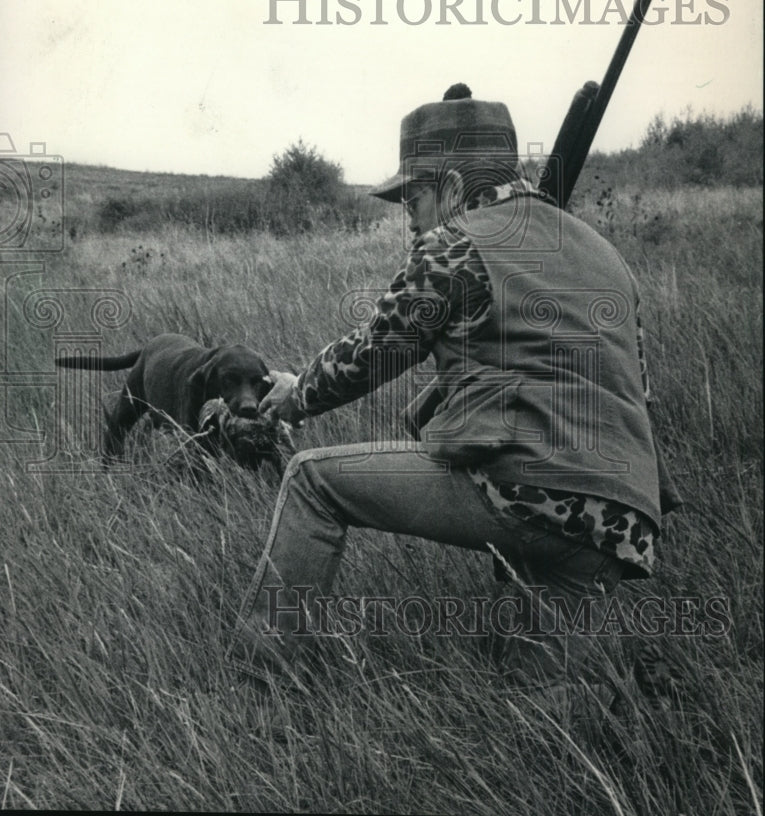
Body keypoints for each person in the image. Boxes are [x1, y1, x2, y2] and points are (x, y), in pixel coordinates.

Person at [240, 83, 676, 693]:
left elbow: (375, 349)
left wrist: (296, 393)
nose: (409, 218)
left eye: (413, 197)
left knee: (311, 480)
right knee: (543, 720)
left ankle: (260, 686)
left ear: (449, 184)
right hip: (620, 521)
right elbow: (640, 392)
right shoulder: (606, 257)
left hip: (526, 492)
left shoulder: (455, 242)